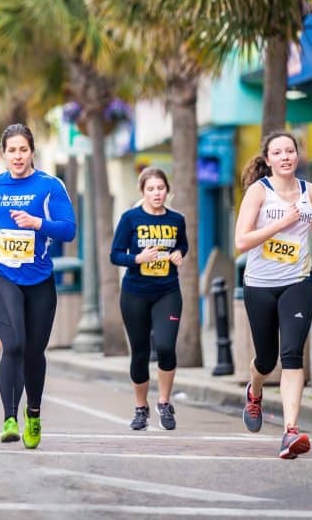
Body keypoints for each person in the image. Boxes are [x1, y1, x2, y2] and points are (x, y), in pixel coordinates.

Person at [0, 123, 76, 449]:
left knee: (34, 352)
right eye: (12, 150)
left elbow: (68, 230)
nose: (18, 156)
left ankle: (33, 414)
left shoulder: (50, 186)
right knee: (13, 345)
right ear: (4, 153)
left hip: (39, 280)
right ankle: (10, 418)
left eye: (23, 149)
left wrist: (37, 222)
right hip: (1, 275)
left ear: (32, 151)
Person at [235, 130, 312, 459]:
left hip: (297, 282)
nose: (286, 156)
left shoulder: (310, 192)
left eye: (290, 151)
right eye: (278, 152)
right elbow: (241, 241)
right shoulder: (259, 193)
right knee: (266, 359)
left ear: (297, 156)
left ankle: (290, 431)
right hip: (260, 284)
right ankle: (255, 391)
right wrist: (279, 224)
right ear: (268, 159)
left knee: (291, 355)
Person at [110, 167, 188, 431]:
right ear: (142, 192)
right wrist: (137, 259)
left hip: (167, 291)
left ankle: (164, 402)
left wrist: (179, 254)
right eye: (151, 189)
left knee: (166, 346)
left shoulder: (176, 219)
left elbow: (183, 244)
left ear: (168, 190)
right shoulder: (130, 218)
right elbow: (116, 254)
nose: (157, 193)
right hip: (135, 293)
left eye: (161, 188)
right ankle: (141, 407)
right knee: (140, 352)